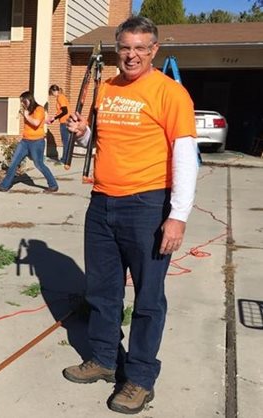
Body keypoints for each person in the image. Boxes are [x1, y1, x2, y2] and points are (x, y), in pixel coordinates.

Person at [63, 16, 199, 415]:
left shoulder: (171, 94)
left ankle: (139, 377)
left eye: (141, 47)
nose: (132, 55)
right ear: (117, 49)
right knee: (102, 292)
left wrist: (177, 215)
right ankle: (105, 359)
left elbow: (184, 157)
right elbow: (105, 142)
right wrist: (83, 135)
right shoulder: (107, 88)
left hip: (147, 206)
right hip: (102, 203)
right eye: (126, 47)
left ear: (154, 50)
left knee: (148, 298)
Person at [0, 91, 58, 193]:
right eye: (21, 102)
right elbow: (41, 121)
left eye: (23, 101)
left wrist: (26, 115)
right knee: (14, 162)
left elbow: (36, 123)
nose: (22, 103)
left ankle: (53, 185)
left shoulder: (39, 109)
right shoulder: (28, 110)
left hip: (37, 142)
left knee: (39, 164)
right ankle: (4, 186)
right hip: (25, 142)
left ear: (29, 99)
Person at [47, 84, 71, 163]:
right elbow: (61, 111)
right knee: (65, 141)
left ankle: (65, 159)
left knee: (65, 141)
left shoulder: (61, 97)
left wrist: (55, 118)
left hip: (65, 122)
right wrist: (54, 118)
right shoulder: (60, 97)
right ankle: (65, 159)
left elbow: (65, 111)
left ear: (54, 91)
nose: (52, 95)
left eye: (52, 93)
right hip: (63, 121)